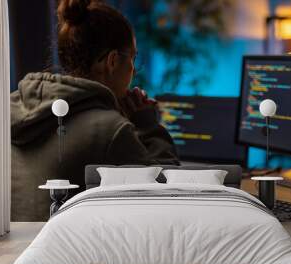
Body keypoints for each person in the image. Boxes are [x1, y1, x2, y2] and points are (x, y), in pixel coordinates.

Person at [11, 0, 179, 221]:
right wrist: (147, 125)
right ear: (112, 61)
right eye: (133, 59)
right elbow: (169, 198)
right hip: (69, 253)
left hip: (8, 250)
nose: (133, 71)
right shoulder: (110, 130)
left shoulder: (10, 108)